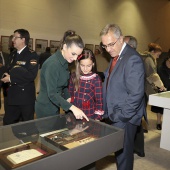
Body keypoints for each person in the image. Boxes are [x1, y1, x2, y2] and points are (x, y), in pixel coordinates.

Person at [100, 24, 146, 170]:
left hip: (124, 116)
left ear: (120, 39)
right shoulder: (117, 56)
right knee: (119, 152)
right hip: (116, 112)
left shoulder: (132, 59)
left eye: (111, 44)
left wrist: (120, 116)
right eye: (104, 46)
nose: (108, 49)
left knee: (124, 154)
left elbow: (136, 94)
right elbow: (110, 80)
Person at [35, 30, 89, 121]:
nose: (75, 58)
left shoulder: (64, 62)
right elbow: (52, 93)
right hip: (45, 108)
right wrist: (72, 107)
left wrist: (68, 97)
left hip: (55, 105)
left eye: (78, 55)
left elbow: (63, 85)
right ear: (64, 47)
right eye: (73, 54)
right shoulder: (53, 64)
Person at [1, 29, 39, 125]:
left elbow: (31, 75)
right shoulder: (13, 54)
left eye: (15, 37)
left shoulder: (32, 55)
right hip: (12, 96)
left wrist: (11, 79)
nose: (13, 39)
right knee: (7, 123)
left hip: (25, 98)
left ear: (23, 39)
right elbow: (9, 69)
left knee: (27, 126)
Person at [68, 49, 104, 120]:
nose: (85, 69)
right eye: (82, 65)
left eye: (88, 66)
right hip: (74, 112)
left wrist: (97, 118)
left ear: (93, 64)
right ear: (78, 64)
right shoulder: (74, 76)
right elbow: (70, 94)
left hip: (89, 114)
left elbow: (99, 101)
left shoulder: (96, 79)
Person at [143, 43, 166, 130]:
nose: (158, 57)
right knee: (142, 107)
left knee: (142, 107)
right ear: (152, 52)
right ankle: (141, 127)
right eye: (158, 54)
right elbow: (153, 75)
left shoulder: (148, 58)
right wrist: (161, 85)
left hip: (144, 86)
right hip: (143, 88)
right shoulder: (148, 59)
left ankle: (142, 126)